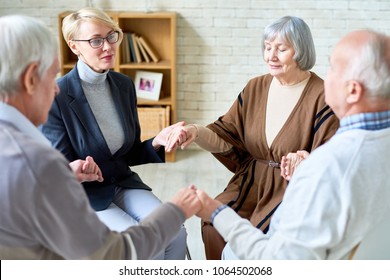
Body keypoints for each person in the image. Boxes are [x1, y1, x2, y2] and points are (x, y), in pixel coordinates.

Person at [0, 14, 202, 260]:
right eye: (96, 40)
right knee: (151, 248)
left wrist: (157, 141)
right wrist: (176, 209)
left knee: (177, 234)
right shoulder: (60, 98)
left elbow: (126, 154)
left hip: (121, 181)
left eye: (112, 36)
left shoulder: (123, 85)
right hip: (86, 194)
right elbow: (112, 250)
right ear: (74, 46)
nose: (108, 46)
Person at [195, 29, 390, 259]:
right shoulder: (339, 160)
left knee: (229, 251)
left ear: (353, 91)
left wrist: (215, 212)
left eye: (334, 69)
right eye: (268, 47)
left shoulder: (327, 168)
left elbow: (281, 262)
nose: (326, 77)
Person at [165, 16, 339, 259]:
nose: (271, 56)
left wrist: (305, 161)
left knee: (254, 245)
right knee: (213, 225)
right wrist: (194, 132)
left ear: (301, 50)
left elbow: (331, 159)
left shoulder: (323, 96)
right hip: (250, 181)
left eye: (281, 49)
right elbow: (226, 135)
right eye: (268, 47)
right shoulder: (255, 87)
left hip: (290, 189)